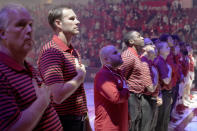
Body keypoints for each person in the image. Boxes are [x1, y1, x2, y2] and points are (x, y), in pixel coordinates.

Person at [0, 4, 62, 131]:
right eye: (21, 25)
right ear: (2, 33)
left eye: (30, 25)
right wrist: (42, 103)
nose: (29, 30)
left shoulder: (28, 67)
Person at [38, 5, 91, 131]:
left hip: (77, 119)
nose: (77, 22)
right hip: (62, 122)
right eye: (72, 19)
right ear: (58, 23)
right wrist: (80, 77)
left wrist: (86, 122)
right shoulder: (52, 51)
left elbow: (77, 93)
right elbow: (58, 96)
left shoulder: (72, 51)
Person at [120, 31, 154, 131]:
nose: (142, 38)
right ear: (131, 41)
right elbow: (119, 76)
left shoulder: (135, 55)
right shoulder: (129, 56)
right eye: (139, 36)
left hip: (136, 97)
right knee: (132, 126)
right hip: (131, 97)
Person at [94, 45, 130, 131]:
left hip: (120, 125)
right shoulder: (103, 74)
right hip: (108, 126)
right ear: (106, 60)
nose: (119, 54)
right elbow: (116, 97)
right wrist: (126, 89)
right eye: (115, 53)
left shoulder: (118, 72)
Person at [154, 41, 172, 131]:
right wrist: (170, 70)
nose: (169, 48)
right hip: (163, 93)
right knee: (161, 120)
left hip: (166, 93)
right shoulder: (160, 62)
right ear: (160, 50)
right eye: (166, 47)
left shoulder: (163, 61)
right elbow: (166, 80)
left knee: (164, 119)